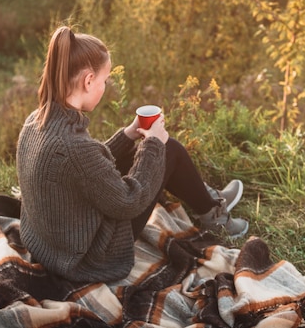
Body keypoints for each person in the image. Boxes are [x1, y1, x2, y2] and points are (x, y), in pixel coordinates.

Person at [16, 26, 249, 283]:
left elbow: (88, 169)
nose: (105, 87)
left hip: (50, 242)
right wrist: (153, 146)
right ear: (88, 80)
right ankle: (213, 213)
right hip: (89, 257)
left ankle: (207, 199)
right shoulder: (75, 148)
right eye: (105, 80)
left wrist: (128, 135)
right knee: (168, 150)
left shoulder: (37, 120)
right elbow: (129, 202)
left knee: (153, 150)